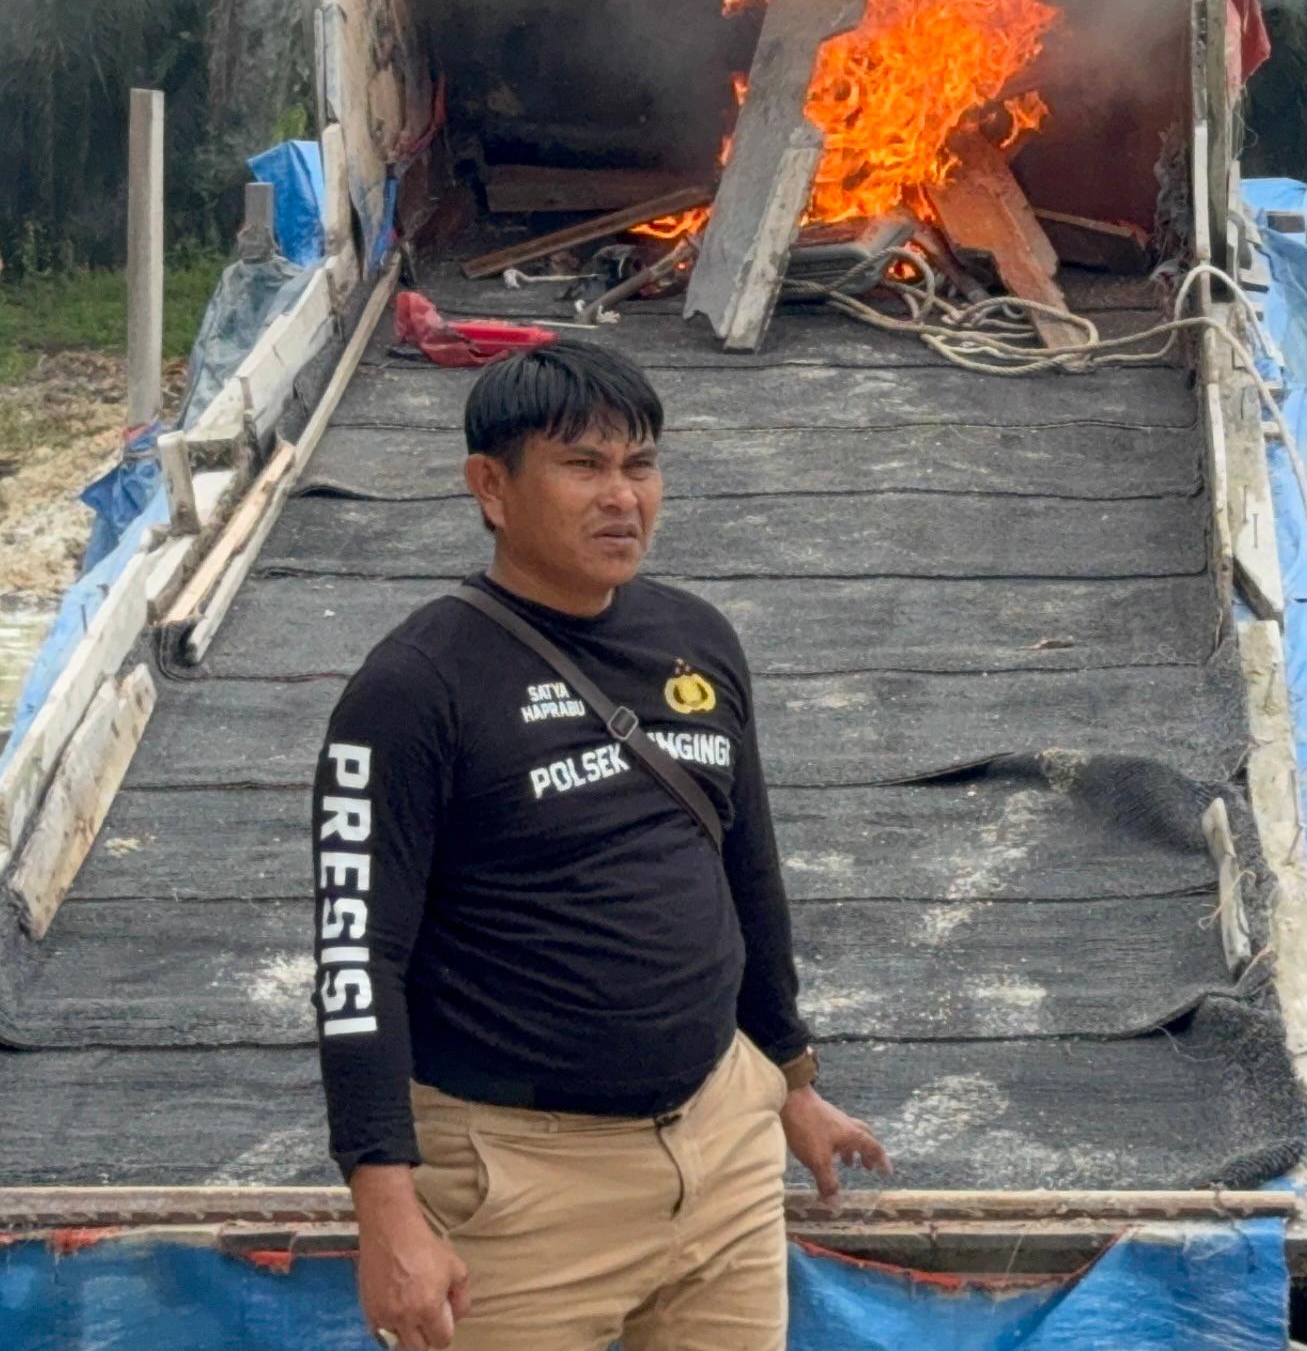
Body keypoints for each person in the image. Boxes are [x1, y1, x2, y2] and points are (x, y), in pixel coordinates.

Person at [317, 337, 889, 1351]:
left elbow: (748, 874)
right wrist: (388, 1213)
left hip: (721, 1153)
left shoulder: (697, 640)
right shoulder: (412, 688)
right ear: (491, 486)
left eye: (641, 464)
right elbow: (357, 962)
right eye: (582, 466)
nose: (622, 497)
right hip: (518, 1187)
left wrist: (791, 1084)